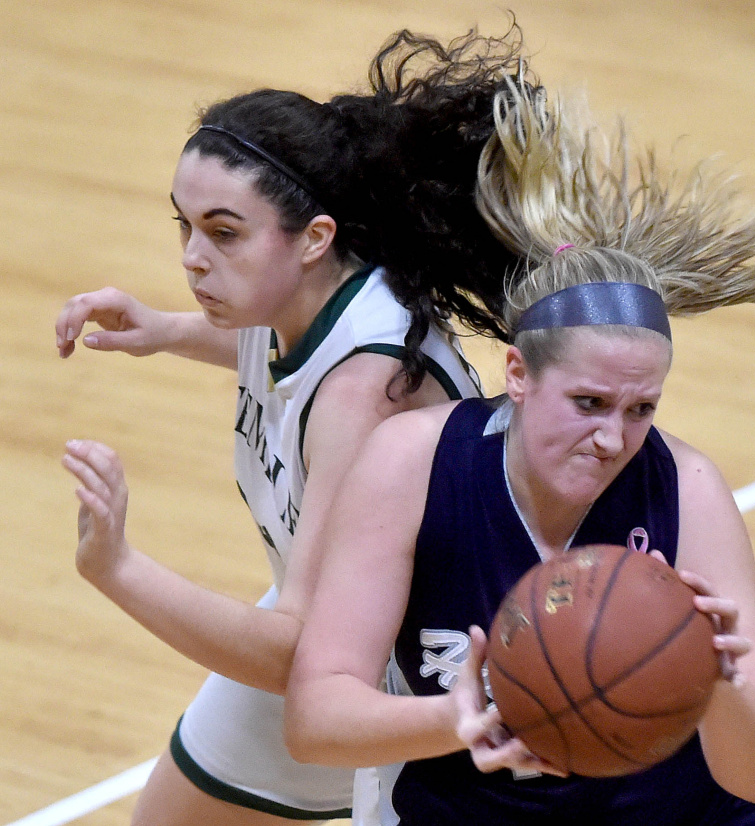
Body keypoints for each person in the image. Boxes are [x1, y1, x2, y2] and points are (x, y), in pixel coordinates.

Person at [284, 78, 755, 825]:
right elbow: (316, 717)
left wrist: (726, 683)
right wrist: (466, 717)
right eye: (588, 404)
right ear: (517, 374)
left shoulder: (687, 487)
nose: (614, 437)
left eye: (642, 409)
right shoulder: (414, 464)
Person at [58, 25, 535, 826]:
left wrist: (119, 569)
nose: (191, 258)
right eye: (184, 225)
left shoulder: (368, 393)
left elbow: (299, 654)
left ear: (315, 239)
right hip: (332, 619)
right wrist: (166, 329)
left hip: (414, 670)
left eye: (222, 232)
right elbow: (283, 357)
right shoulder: (305, 301)